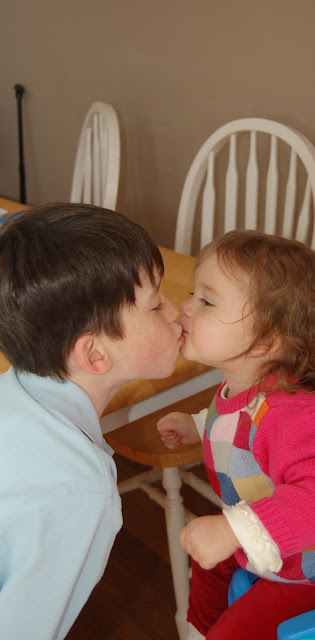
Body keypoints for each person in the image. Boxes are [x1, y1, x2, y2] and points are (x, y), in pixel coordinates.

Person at [157, 230, 315, 640]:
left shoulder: (291, 413)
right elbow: (244, 428)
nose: (186, 306)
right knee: (206, 557)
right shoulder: (246, 385)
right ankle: (200, 628)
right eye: (194, 294)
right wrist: (198, 425)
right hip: (288, 538)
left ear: (265, 340)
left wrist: (233, 531)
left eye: (207, 301)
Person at [0, 202, 184, 640]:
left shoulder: (13, 392)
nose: (175, 310)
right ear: (95, 354)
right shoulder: (78, 495)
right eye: (156, 304)